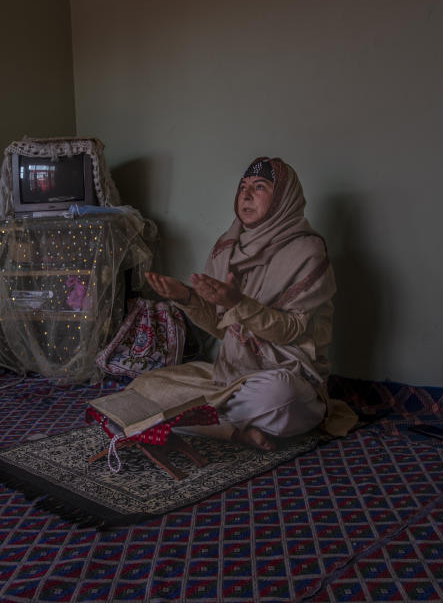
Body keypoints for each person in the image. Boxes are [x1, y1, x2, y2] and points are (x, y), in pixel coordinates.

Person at [131, 156, 357, 450]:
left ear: (283, 199)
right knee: (142, 388)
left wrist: (238, 302)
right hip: (231, 378)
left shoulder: (307, 252)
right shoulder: (227, 248)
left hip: (285, 376)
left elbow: (289, 332)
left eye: (259, 187)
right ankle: (235, 433)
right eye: (242, 187)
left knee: (281, 397)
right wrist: (186, 297)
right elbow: (224, 329)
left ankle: (200, 420)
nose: (246, 195)